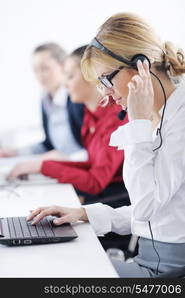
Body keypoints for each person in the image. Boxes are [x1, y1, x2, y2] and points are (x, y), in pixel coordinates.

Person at [26, 12, 185, 277]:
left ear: (141, 65)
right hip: (150, 258)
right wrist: (84, 213)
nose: (107, 93)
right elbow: (158, 211)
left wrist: (137, 122)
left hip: (167, 271)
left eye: (106, 79)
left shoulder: (175, 122)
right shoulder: (162, 116)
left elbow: (146, 208)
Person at [7, 45, 130, 207]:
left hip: (115, 203)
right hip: (102, 195)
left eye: (70, 76)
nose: (64, 84)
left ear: (92, 78)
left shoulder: (115, 117)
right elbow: (92, 165)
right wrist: (40, 165)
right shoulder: (90, 116)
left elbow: (95, 181)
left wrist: (44, 166)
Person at [0, 42, 86, 162]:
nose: (40, 75)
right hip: (64, 165)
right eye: (35, 70)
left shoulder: (77, 98)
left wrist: (66, 159)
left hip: (80, 164)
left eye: (45, 68)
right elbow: (49, 145)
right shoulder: (46, 100)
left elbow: (93, 149)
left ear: (63, 66)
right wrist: (16, 152)